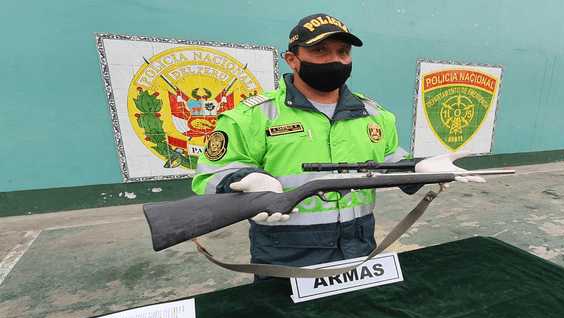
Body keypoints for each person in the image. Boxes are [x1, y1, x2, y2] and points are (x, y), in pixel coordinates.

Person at [192, 13, 484, 279]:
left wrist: (419, 168)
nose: (335, 60)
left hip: (359, 247)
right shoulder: (251, 116)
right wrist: (245, 181)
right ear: (292, 59)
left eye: (342, 52)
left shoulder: (375, 114)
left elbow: (389, 158)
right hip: (285, 253)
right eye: (320, 50)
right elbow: (209, 175)